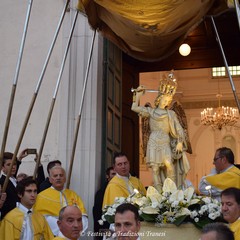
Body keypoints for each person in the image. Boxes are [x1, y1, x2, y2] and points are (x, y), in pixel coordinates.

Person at [131, 73, 190, 191]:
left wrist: (179, 142)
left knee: (169, 165)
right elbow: (134, 108)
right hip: (153, 140)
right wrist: (137, 95)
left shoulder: (171, 114)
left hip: (165, 141)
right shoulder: (151, 112)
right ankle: (158, 192)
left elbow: (179, 129)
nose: (166, 102)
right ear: (159, 99)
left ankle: (171, 191)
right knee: (155, 168)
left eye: (168, 100)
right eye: (164, 99)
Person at [34, 165, 88, 236]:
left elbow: (83, 217)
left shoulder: (73, 195)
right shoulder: (41, 196)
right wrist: (64, 231)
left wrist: (74, 230)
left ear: (65, 179)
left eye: (61, 175)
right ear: (50, 179)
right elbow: (42, 219)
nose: (58, 178)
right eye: (55, 176)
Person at [93, 166, 116, 239]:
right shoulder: (101, 192)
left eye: (116, 174)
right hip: (105, 226)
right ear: (107, 176)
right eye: (113, 174)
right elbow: (97, 211)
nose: (115, 176)